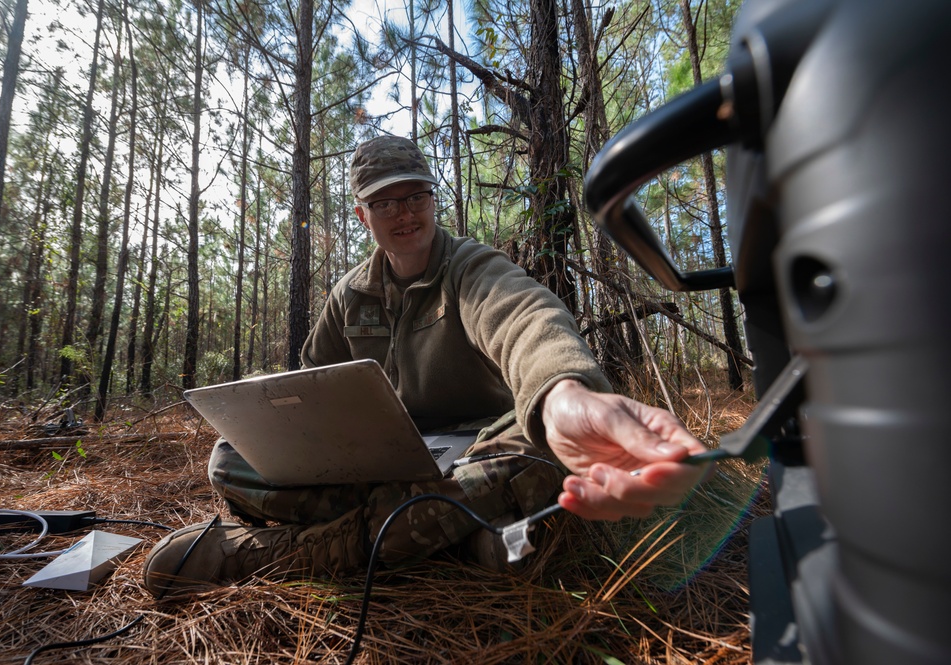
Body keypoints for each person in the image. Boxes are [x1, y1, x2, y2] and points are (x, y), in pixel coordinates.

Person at [143, 136, 708, 596]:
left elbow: (524, 316)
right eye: (385, 202)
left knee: (540, 449)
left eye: (415, 197)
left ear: (433, 200)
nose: (403, 213)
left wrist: (564, 394)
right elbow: (307, 392)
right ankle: (460, 535)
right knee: (231, 457)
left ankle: (281, 555)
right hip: (382, 460)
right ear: (364, 215)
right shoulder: (349, 296)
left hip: (479, 448)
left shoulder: (469, 267)